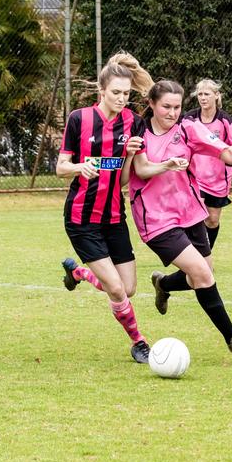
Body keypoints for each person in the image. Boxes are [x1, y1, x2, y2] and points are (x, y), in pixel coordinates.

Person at [129, 80, 232, 361]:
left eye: (177, 107)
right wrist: (167, 165)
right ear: (152, 105)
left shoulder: (189, 129)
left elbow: (227, 152)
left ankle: (164, 285)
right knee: (202, 275)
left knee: (201, 277)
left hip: (190, 212)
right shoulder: (138, 132)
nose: (172, 113)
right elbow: (141, 171)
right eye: (166, 107)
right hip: (155, 219)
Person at [56, 52, 155, 363]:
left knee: (129, 288)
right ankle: (139, 342)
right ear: (101, 91)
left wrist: (126, 155)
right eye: (116, 92)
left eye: (126, 93)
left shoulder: (134, 123)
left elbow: (124, 180)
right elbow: (60, 167)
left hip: (114, 217)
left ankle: (80, 273)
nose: (122, 98)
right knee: (115, 289)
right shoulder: (78, 119)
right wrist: (79, 168)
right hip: (81, 218)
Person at [183, 79, 232, 248]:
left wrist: (225, 150)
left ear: (216, 95)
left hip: (217, 179)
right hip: (193, 177)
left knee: (212, 220)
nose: (203, 98)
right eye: (200, 94)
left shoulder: (226, 120)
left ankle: (206, 254)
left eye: (207, 94)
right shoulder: (189, 118)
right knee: (194, 217)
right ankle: (195, 260)